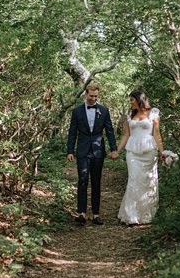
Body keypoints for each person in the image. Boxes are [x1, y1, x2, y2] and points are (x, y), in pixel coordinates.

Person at [67, 83, 118, 225]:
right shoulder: (77, 111)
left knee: (96, 181)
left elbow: (109, 131)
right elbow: (72, 132)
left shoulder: (104, 110)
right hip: (82, 150)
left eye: (96, 96)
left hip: (98, 150)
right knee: (83, 180)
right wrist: (70, 151)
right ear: (86, 94)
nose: (93, 99)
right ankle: (81, 213)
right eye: (91, 96)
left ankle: (96, 214)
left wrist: (113, 149)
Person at [116, 91, 164, 225]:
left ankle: (145, 214)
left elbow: (157, 134)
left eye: (132, 100)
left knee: (148, 181)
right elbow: (126, 135)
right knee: (133, 180)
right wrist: (117, 151)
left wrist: (162, 152)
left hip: (149, 152)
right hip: (132, 152)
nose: (130, 102)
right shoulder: (130, 116)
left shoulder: (153, 114)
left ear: (139, 100)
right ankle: (131, 215)